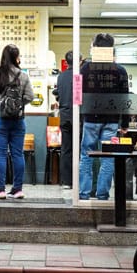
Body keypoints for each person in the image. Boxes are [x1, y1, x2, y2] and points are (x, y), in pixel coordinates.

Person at [79, 33, 130, 201]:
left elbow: (78, 95)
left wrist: (79, 117)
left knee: (86, 156)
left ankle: (84, 194)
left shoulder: (85, 68)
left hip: (91, 119)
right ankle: (102, 194)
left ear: (95, 47)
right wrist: (125, 122)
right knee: (108, 158)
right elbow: (125, 99)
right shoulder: (120, 70)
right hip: (112, 121)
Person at [0, 44, 34, 199]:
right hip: (18, 120)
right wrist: (18, 105)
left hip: (0, 119)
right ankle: (17, 189)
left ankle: (0, 190)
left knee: (0, 155)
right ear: (17, 57)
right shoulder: (23, 75)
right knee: (17, 154)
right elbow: (30, 96)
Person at [52, 51, 75, 189]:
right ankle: (78, 180)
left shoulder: (61, 76)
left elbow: (59, 95)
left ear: (66, 62)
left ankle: (67, 181)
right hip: (78, 116)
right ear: (80, 61)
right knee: (79, 149)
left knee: (66, 149)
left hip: (65, 115)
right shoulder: (80, 76)